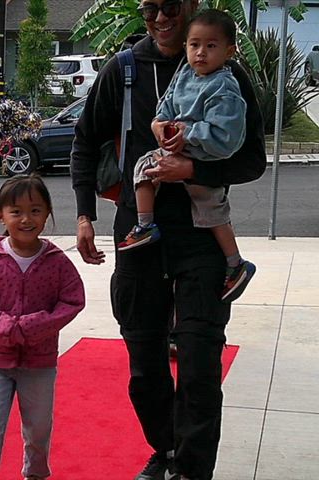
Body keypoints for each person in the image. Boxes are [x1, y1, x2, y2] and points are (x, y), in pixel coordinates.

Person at [69, 0, 266, 478]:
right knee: (144, 365)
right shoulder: (125, 69)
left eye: (171, 6)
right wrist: (83, 215)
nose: (160, 17)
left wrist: (193, 167)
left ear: (192, 7)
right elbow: (85, 139)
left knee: (199, 360)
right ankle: (167, 450)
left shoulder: (226, 74)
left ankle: (192, 469)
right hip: (138, 234)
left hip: (201, 238)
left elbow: (253, 160)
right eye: (149, 8)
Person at [118, 10, 256, 303]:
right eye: (194, 45)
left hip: (205, 156)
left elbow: (227, 135)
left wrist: (189, 134)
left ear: (229, 51)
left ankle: (236, 264)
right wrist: (160, 123)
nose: (201, 53)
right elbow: (167, 102)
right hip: (176, 146)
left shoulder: (225, 86)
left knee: (212, 212)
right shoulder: (185, 74)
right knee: (143, 168)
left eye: (211, 46)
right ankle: (145, 223)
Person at [0, 175, 86, 480]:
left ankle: (36, 473)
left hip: (39, 362)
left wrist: (33, 326)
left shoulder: (57, 261)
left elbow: (72, 300)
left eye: (35, 210)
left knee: (38, 429)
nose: (26, 219)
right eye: (16, 211)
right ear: (1, 216)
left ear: (47, 214)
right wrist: (6, 327)